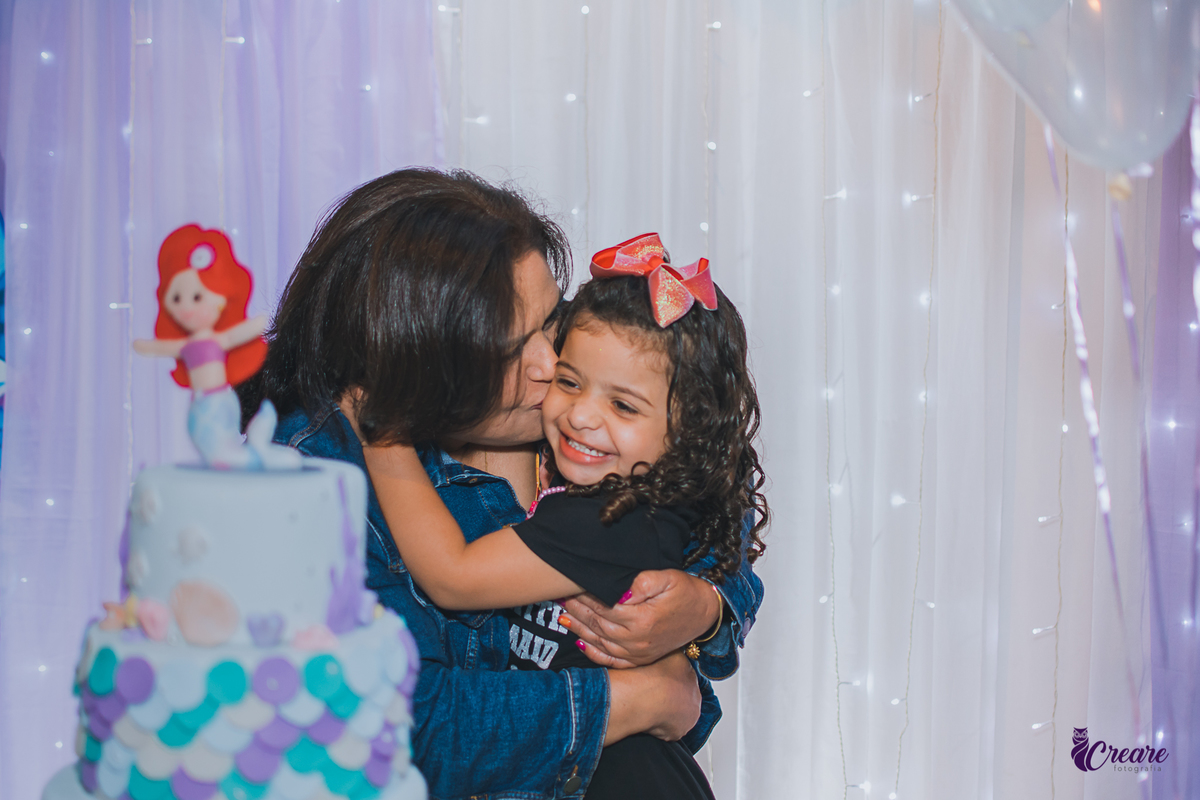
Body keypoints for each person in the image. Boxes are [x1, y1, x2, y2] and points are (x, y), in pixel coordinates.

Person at [237, 169, 765, 799]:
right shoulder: (306, 479)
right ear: (417, 354)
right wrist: (636, 697)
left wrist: (705, 609)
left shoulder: (576, 414)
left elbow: (702, 488)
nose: (554, 366)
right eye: (510, 350)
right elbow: (397, 728)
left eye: (552, 321)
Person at [360, 232, 768, 800]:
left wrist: (385, 440)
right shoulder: (617, 485)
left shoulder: (615, 517)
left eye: (622, 405)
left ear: (687, 432)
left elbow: (453, 576)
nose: (580, 416)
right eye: (570, 381)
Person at [134, 224, 299, 470]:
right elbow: (162, 348)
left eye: (197, 297)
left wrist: (257, 326)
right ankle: (253, 450)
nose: (188, 308)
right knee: (218, 448)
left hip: (221, 400)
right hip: (203, 403)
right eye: (177, 298)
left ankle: (253, 449)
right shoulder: (187, 345)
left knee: (223, 443)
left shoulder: (218, 342)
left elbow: (237, 335)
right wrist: (143, 346)